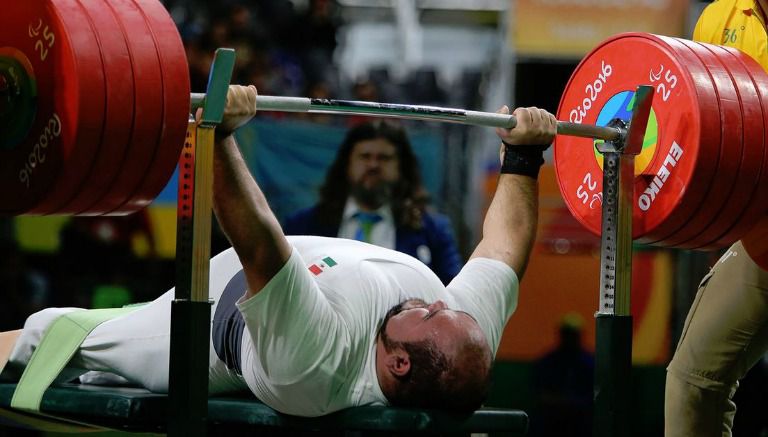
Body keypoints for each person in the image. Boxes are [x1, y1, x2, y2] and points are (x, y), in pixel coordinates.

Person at [0, 85, 557, 417]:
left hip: (210, 316)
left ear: (399, 363)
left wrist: (219, 137)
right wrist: (524, 158)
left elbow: (259, 247)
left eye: (431, 313)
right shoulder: (460, 339)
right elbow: (502, 249)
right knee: (94, 357)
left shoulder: (318, 366)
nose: (438, 301)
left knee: (57, 333)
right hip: (308, 265)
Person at [664, 2, 768, 435]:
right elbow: (709, 126)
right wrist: (718, 221)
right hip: (760, 238)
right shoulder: (720, 18)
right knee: (693, 380)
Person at [283, 120, 462, 284]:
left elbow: (452, 293)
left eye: (384, 158)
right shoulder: (302, 226)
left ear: (401, 168)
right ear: (347, 164)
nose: (373, 165)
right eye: (365, 156)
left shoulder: (433, 231)